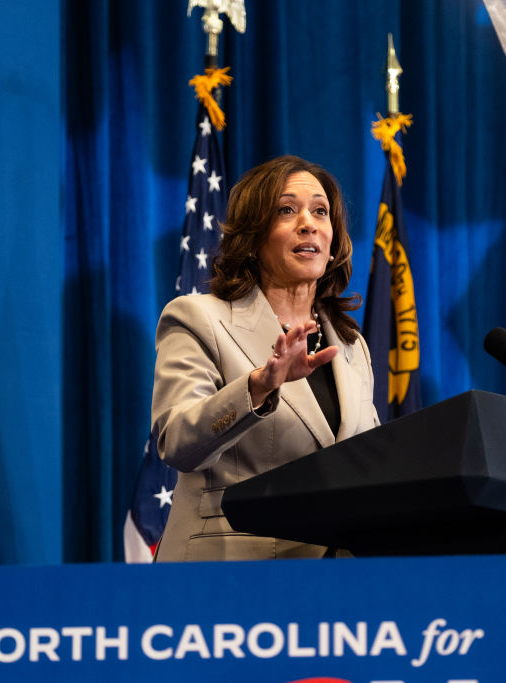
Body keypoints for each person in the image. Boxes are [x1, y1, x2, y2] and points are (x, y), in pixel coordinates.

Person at [151, 155, 380, 562]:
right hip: (234, 572)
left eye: (320, 211)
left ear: (333, 241)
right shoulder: (200, 319)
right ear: (254, 237)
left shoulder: (350, 345)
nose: (307, 223)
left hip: (337, 581)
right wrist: (259, 387)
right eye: (286, 210)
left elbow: (370, 460)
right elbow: (176, 444)